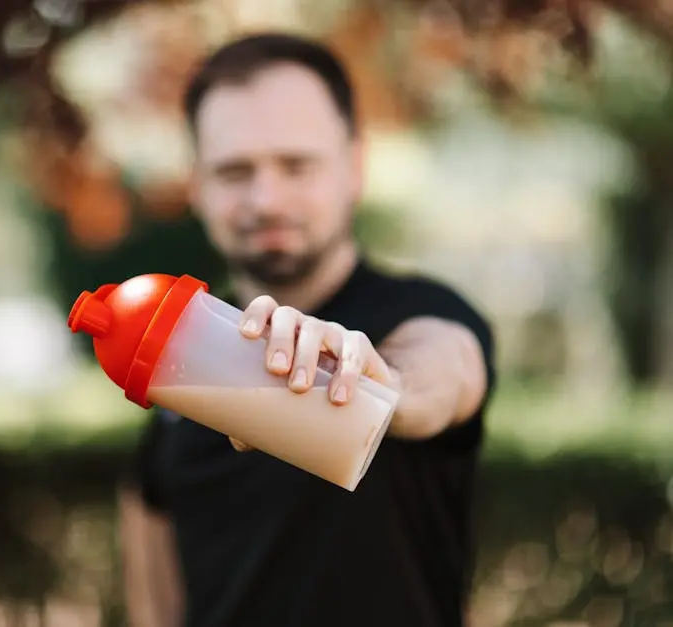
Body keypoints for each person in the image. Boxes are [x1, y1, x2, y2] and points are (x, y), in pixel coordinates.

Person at [117, 32, 496, 627]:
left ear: (355, 167)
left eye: (297, 165)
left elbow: (444, 372)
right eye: (234, 170)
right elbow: (156, 598)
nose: (266, 198)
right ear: (197, 186)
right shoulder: (173, 380)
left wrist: (382, 387)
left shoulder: (424, 317)